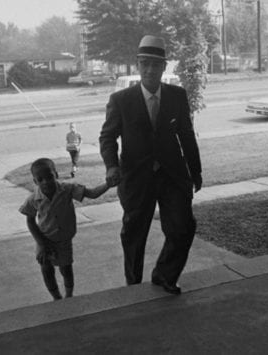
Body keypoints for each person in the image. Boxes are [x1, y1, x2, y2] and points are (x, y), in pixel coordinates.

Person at [99, 35, 202, 295]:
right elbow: (108, 136)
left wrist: (195, 172)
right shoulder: (121, 100)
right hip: (136, 179)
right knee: (134, 236)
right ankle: (133, 285)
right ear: (137, 65)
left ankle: (165, 275)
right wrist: (111, 166)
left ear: (164, 67)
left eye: (156, 65)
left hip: (172, 176)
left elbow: (187, 136)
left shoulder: (177, 96)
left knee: (183, 228)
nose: (149, 70)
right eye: (144, 64)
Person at [19, 157, 110, 300]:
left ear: (56, 174)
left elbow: (92, 194)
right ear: (35, 181)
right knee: (46, 268)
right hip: (44, 240)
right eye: (40, 179)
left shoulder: (67, 190)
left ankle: (69, 296)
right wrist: (41, 244)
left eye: (49, 176)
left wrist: (108, 184)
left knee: (66, 268)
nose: (46, 181)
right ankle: (56, 297)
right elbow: (30, 221)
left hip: (64, 240)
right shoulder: (33, 199)